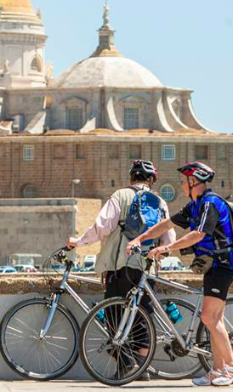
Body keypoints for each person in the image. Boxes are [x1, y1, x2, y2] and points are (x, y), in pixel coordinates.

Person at [127, 162, 233, 386]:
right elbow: (166, 224)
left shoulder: (209, 204)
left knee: (209, 318)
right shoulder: (195, 205)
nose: (182, 185)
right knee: (214, 319)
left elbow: (199, 234)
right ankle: (217, 369)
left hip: (223, 265)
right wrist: (139, 239)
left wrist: (166, 248)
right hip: (214, 266)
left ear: (193, 182)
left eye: (184, 181)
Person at [66, 160, 175, 380]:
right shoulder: (160, 201)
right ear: (151, 180)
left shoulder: (120, 196)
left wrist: (78, 242)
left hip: (119, 266)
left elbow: (102, 226)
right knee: (143, 317)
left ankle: (127, 364)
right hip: (145, 268)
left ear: (131, 178)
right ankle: (141, 368)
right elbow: (168, 238)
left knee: (114, 315)